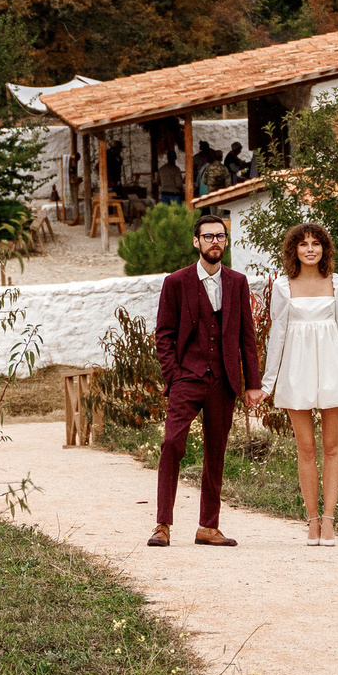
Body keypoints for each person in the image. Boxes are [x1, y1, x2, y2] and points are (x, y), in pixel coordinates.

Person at [149, 212, 261, 547]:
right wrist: (172, 375)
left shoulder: (237, 282)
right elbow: (164, 334)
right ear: (196, 241)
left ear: (225, 242)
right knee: (171, 444)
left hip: (223, 379)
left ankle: (207, 526)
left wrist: (251, 383)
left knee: (217, 451)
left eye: (220, 236)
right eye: (209, 236)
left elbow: (246, 336)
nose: (215, 242)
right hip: (187, 376)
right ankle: (162, 524)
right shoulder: (176, 282)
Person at [256, 222, 338, 545]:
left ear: (324, 249)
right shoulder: (284, 287)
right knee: (306, 447)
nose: (310, 249)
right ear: (295, 250)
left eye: (316, 243)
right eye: (304, 244)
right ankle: (311, 520)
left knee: (331, 447)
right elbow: (277, 336)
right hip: (296, 370)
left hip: (332, 368)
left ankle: (329, 521)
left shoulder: (337, 284)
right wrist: (267, 384)